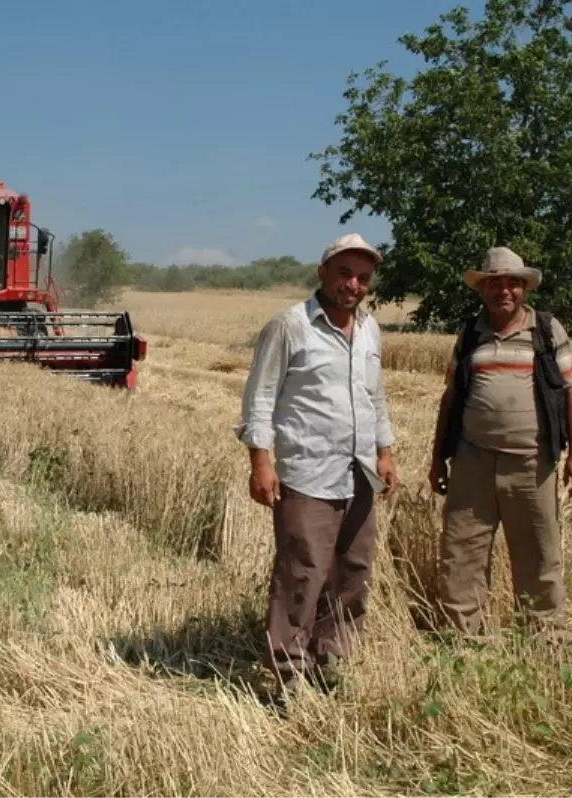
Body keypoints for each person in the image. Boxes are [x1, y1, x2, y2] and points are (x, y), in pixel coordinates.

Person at [236, 232, 399, 695]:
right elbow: (260, 397)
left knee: (352, 571)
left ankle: (332, 663)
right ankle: (288, 675)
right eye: (345, 273)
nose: (353, 284)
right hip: (307, 471)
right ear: (323, 272)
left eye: (363, 278)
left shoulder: (370, 330)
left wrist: (384, 452)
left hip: (358, 472)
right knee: (301, 572)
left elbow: (375, 395)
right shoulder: (289, 327)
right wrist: (261, 462)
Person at [427, 247, 572, 640]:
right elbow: (450, 397)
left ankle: (547, 635)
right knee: (462, 550)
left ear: (524, 288)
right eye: (495, 283)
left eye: (512, 283)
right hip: (472, 461)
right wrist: (437, 458)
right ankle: (462, 636)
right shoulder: (470, 334)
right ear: (482, 289)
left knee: (539, 553)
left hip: (532, 463)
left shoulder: (547, 331)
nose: (504, 291)